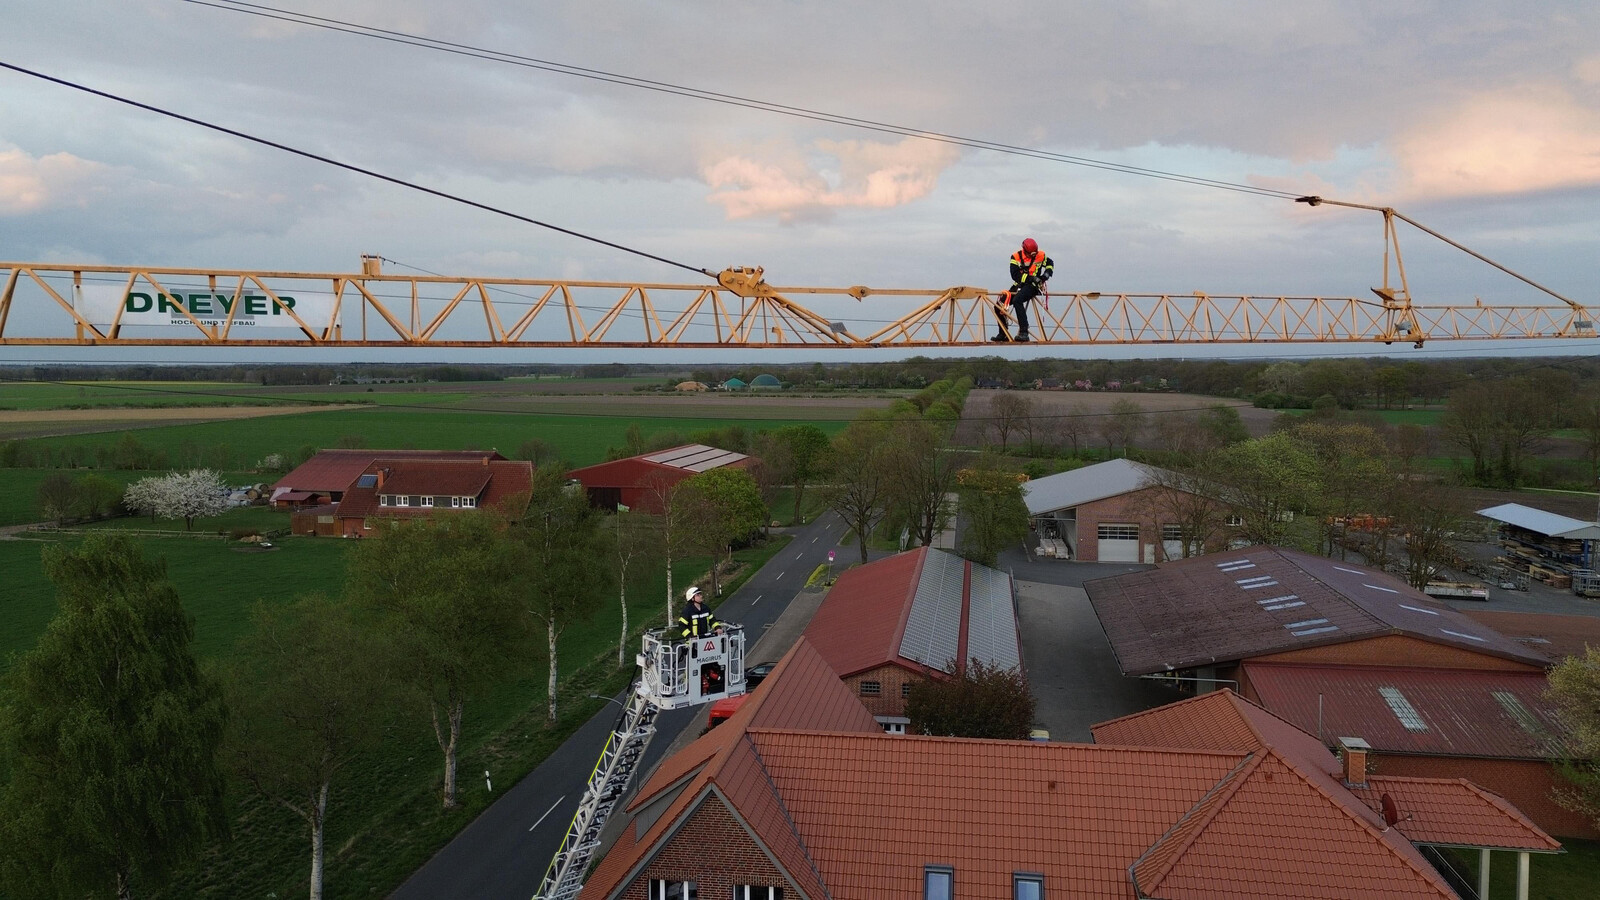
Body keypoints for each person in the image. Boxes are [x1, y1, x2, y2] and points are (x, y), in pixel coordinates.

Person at [992, 237, 1053, 343]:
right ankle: (1003, 333)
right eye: (1030, 254)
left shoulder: (1041, 255)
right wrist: (1031, 278)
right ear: (1024, 250)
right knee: (998, 305)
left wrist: (1046, 275)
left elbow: (1050, 263)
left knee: (1017, 300)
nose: (1033, 256)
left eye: (1034, 254)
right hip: (1019, 284)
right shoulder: (1015, 257)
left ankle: (1024, 332)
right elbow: (1015, 275)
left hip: (1033, 286)